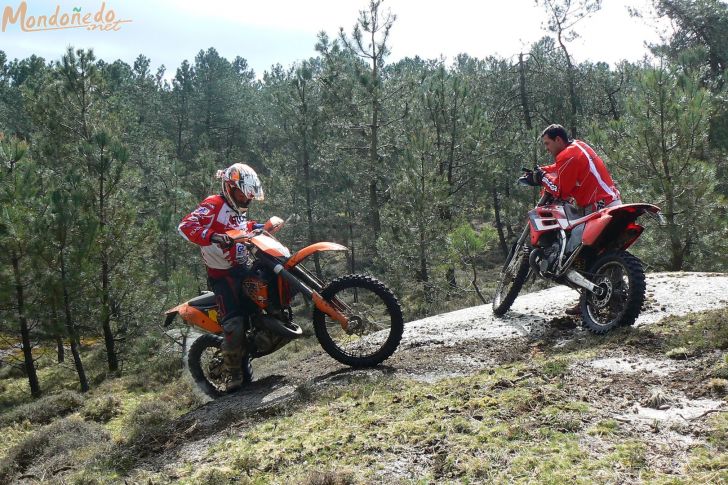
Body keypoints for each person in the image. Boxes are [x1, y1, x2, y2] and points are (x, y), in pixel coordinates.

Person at [178, 163, 264, 391]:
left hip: (242, 267)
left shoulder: (237, 210)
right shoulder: (214, 203)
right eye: (241, 193)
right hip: (222, 277)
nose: (246, 198)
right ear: (229, 187)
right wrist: (212, 236)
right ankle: (233, 374)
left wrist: (262, 226)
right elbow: (185, 226)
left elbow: (242, 227)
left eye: (249, 194)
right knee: (234, 324)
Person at [523, 124, 622, 314]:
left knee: (580, 252)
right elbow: (560, 168)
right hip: (612, 202)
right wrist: (542, 170)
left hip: (597, 206)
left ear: (558, 140)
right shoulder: (578, 147)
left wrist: (542, 179)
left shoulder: (566, 155)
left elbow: (561, 190)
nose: (547, 148)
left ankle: (587, 300)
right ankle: (614, 297)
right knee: (607, 251)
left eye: (548, 143)